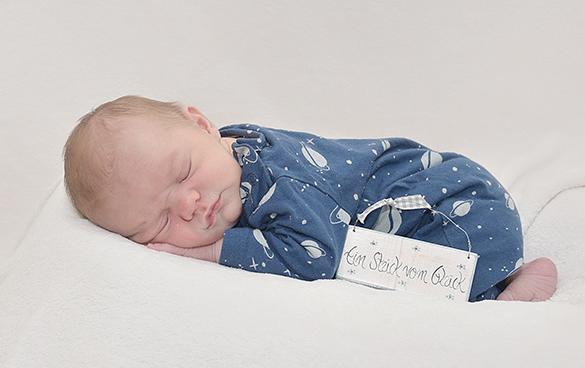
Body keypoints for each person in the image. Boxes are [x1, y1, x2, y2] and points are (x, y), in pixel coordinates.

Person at [63, 95, 557, 302]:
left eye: (183, 173)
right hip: (447, 194)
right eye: (158, 222)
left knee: (403, 276)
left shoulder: (278, 184)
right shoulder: (228, 155)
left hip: (454, 208)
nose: (189, 204)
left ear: (202, 124)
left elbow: (317, 257)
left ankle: (500, 289)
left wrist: (216, 250)